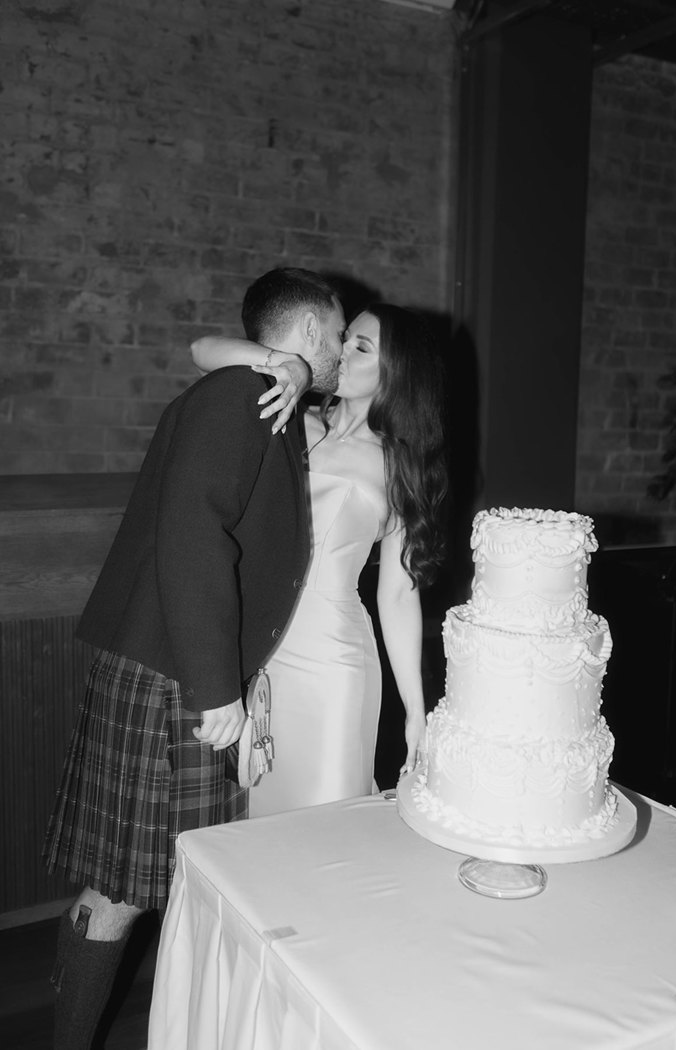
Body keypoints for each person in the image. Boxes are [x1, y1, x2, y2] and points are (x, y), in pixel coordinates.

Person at [42, 267, 346, 1050]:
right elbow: (192, 534)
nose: (342, 351)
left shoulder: (259, 391)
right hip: (176, 671)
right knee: (120, 889)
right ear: (310, 331)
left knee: (154, 881)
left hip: (173, 664)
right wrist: (217, 687)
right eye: (339, 336)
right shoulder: (240, 394)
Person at [191, 301, 449, 817]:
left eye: (362, 346)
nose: (342, 351)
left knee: (323, 821)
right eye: (344, 337)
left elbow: (398, 593)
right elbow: (201, 351)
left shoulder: (399, 465)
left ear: (395, 370)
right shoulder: (288, 415)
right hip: (257, 647)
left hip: (334, 663)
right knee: (257, 818)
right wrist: (284, 363)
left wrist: (416, 711)